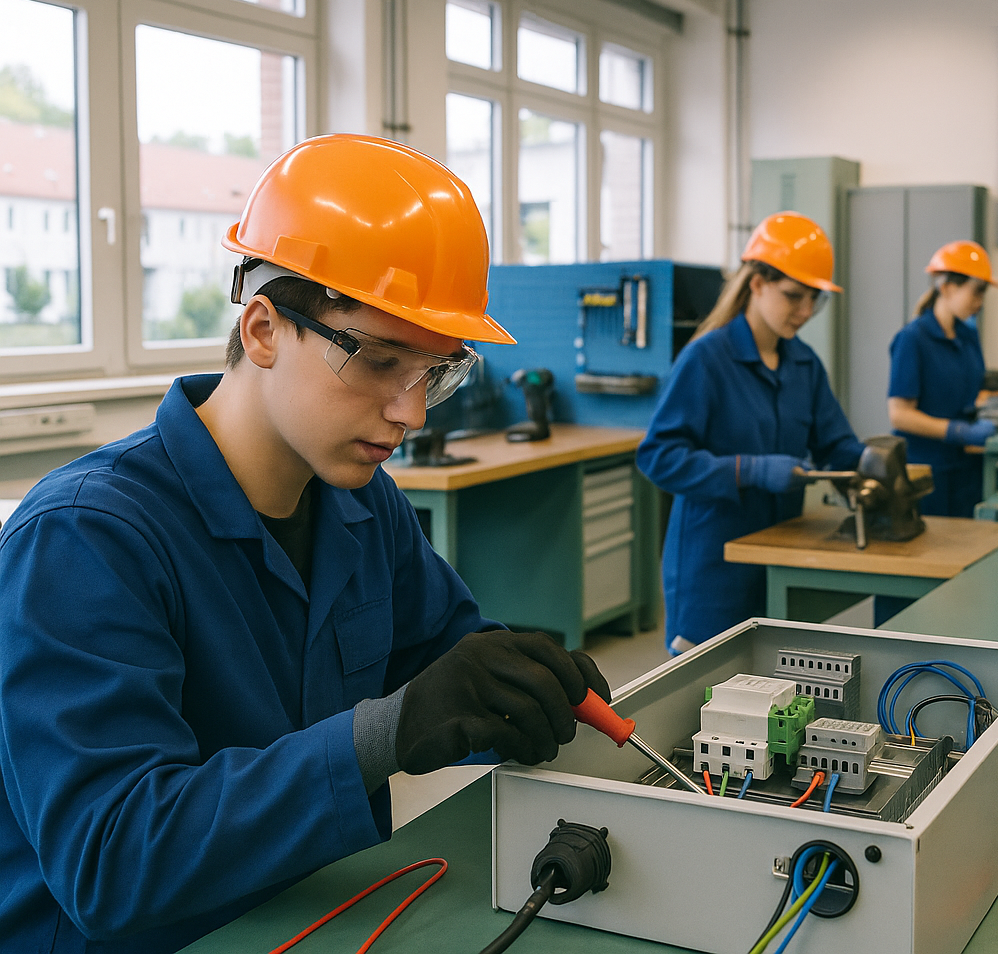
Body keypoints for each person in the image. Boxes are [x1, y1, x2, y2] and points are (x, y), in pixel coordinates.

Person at [0, 135, 611, 954]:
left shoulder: (361, 507)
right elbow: (111, 862)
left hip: (314, 911)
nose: (411, 413)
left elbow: (445, 663)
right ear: (261, 329)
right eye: (381, 360)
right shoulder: (87, 539)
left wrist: (522, 688)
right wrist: (385, 732)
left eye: (434, 372)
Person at [637, 212, 865, 654]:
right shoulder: (706, 359)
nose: (804, 312)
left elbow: (835, 444)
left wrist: (867, 462)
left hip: (782, 563)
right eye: (794, 297)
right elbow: (658, 457)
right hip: (714, 572)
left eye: (813, 300)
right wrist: (747, 470)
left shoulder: (804, 364)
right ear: (756, 283)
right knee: (708, 705)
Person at [887, 240, 997, 517]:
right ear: (946, 287)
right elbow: (900, 415)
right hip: (927, 471)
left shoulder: (967, 336)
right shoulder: (912, 339)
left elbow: (974, 390)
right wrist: (957, 431)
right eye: (976, 293)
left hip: (967, 468)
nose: (980, 303)